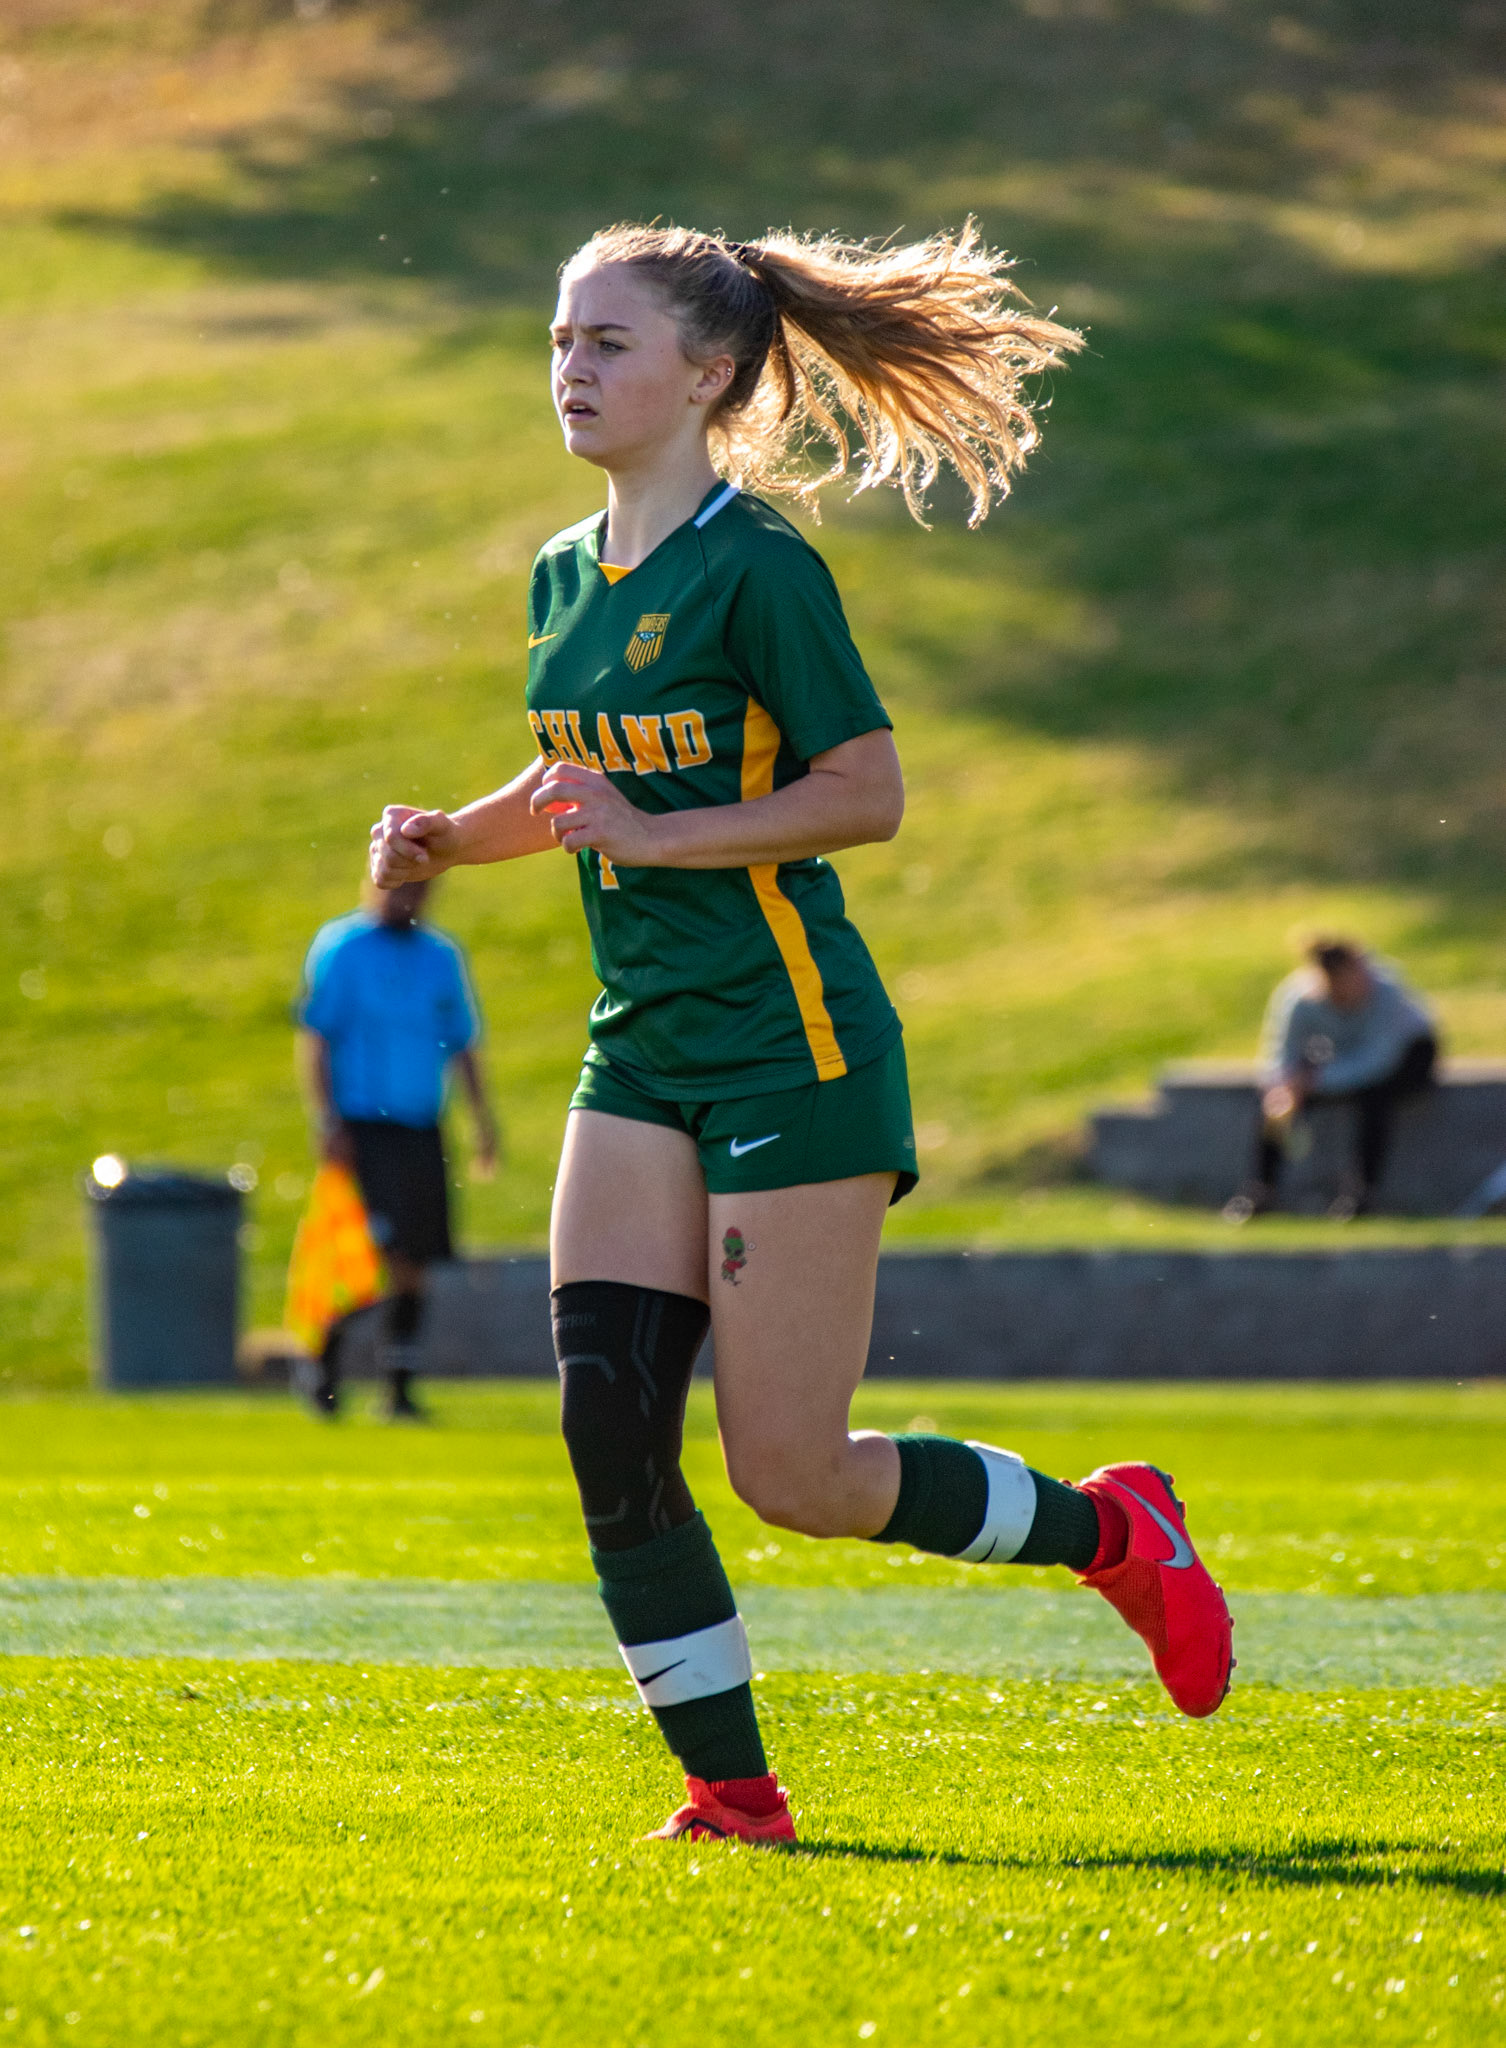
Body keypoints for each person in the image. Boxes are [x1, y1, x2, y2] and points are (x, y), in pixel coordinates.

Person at [368, 221, 1233, 1844]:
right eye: (559, 339)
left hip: (792, 1047)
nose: (569, 368)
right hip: (640, 1049)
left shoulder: (760, 566)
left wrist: (653, 835)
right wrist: (445, 841)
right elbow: (576, 783)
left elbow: (865, 793)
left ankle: (1118, 1533)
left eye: (607, 342)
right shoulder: (561, 571)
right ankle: (733, 1793)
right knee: (608, 1426)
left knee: (795, 1476)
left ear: (708, 372)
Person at [296, 875, 498, 1418]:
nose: (407, 899)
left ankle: (398, 1387)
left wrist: (482, 1121)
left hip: (420, 1124)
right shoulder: (342, 948)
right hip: (364, 1125)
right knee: (366, 1252)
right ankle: (324, 1367)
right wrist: (327, 1121)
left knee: (416, 1257)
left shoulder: (440, 956)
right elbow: (317, 1038)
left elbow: (462, 1042)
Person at [1227, 936, 1438, 1222]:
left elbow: (1377, 1060)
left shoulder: (1387, 990)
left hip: (1405, 1058)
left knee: (1375, 1100)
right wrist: (1283, 1089)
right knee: (1271, 1105)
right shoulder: (1299, 998)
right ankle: (1261, 1189)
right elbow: (1280, 1053)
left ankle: (1361, 1195)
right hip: (1340, 1060)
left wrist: (1312, 1082)